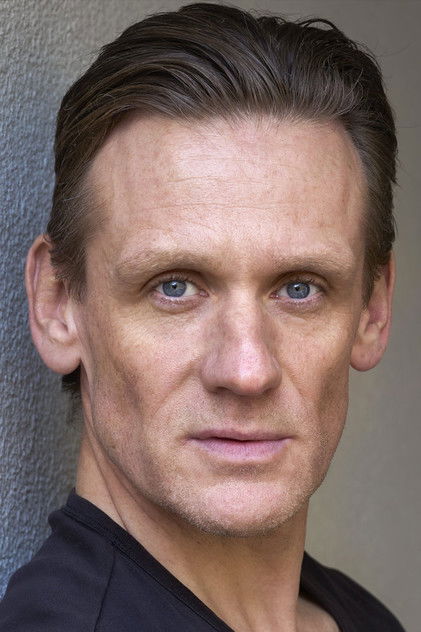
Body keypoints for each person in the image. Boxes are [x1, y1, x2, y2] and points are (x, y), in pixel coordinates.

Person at [0, 3, 405, 631]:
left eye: (299, 289)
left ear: (372, 309)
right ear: (57, 304)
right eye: (175, 287)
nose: (247, 370)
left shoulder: (360, 617)